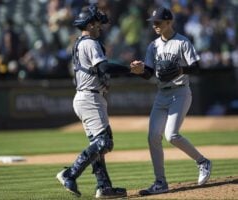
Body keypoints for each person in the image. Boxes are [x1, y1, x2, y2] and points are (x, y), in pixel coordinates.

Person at [56, 4, 143, 199]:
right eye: (97, 23)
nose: (100, 26)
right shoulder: (90, 43)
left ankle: (104, 187)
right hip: (90, 97)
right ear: (90, 23)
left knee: (99, 145)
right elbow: (104, 68)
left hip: (89, 97)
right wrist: (130, 69)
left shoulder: (82, 42)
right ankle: (69, 173)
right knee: (105, 142)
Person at [132, 7, 212, 195]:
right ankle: (160, 182)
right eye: (153, 23)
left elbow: (197, 67)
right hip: (162, 94)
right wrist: (139, 71)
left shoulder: (182, 42)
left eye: (158, 22)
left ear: (169, 22)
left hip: (180, 92)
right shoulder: (153, 46)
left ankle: (203, 161)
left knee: (172, 135)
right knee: (152, 136)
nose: (155, 26)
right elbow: (149, 73)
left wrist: (180, 71)